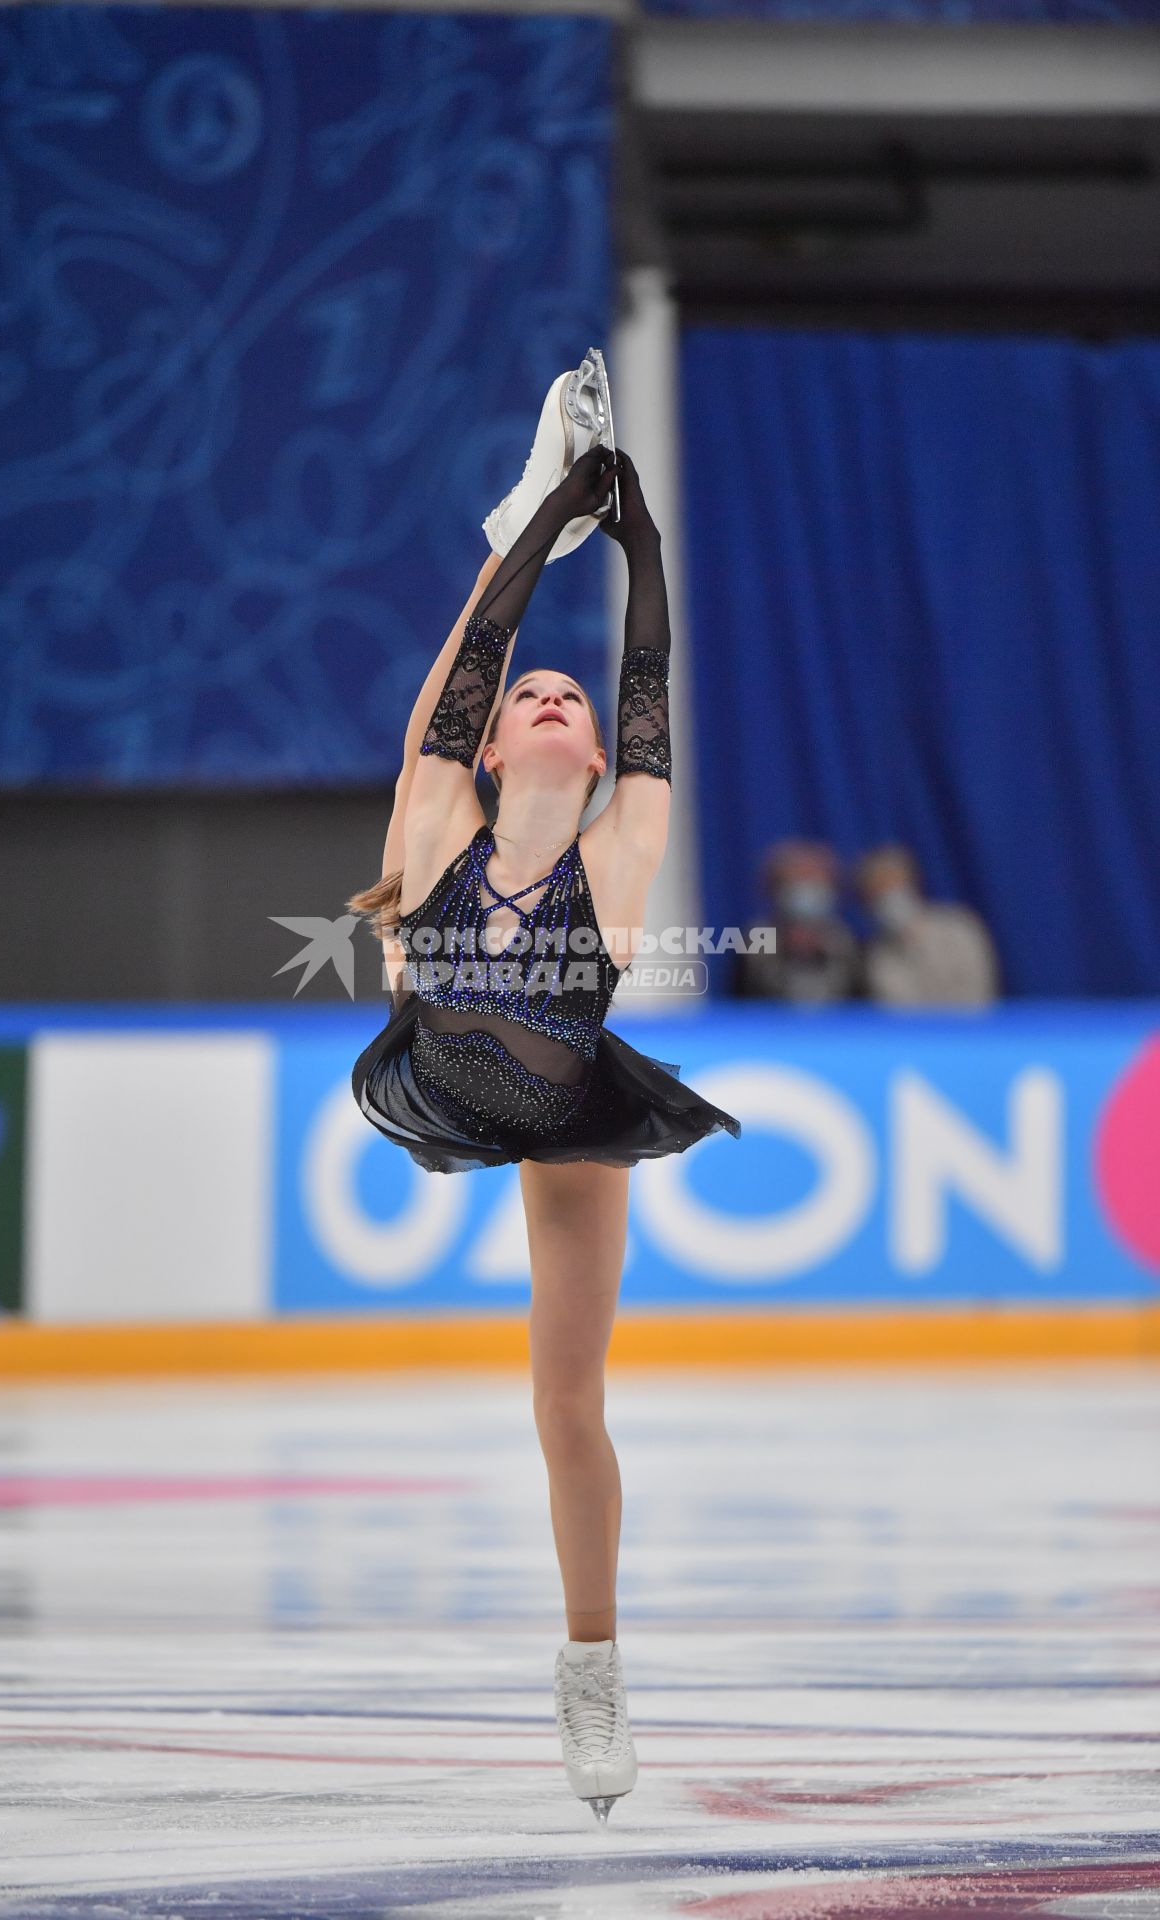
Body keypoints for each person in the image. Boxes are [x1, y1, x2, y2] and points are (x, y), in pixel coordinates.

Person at [348, 386, 740, 1825]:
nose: (554, 697)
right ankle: (513, 512)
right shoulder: (445, 821)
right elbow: (464, 692)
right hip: (437, 1074)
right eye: (532, 697)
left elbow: (649, 687)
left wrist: (636, 545)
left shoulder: (625, 851)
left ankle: (594, 1668)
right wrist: (553, 529)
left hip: (572, 1117)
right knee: (415, 762)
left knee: (566, 1403)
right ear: (509, 751)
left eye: (566, 696)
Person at [854, 843, 1000, 1007]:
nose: (888, 896)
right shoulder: (878, 956)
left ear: (913, 884)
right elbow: (900, 1010)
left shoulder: (960, 926)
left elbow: (978, 994)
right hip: (917, 1033)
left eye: (893, 884)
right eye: (878, 892)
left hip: (971, 1030)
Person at [739, 839, 860, 1005]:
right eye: (798, 878)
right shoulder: (755, 943)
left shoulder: (846, 944)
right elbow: (741, 1006)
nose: (806, 887)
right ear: (775, 887)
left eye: (813, 878)